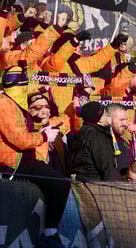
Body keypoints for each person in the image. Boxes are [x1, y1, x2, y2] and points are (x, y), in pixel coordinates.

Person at [0, 67, 68, 246]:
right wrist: (44, 136)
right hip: (14, 161)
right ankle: (50, 232)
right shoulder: (4, 103)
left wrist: (42, 132)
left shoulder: (10, 101)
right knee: (60, 183)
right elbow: (19, 140)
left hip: (22, 157)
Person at [70, 102, 126, 182]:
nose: (108, 115)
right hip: (94, 185)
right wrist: (119, 187)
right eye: (105, 113)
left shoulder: (84, 131)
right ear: (99, 119)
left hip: (83, 182)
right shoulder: (97, 136)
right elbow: (107, 167)